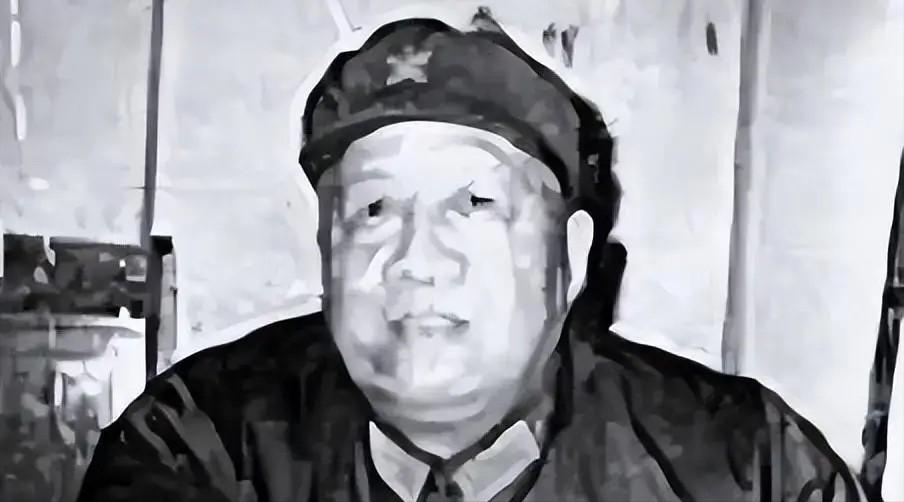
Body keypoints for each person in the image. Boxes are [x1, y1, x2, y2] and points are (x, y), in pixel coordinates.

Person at [78, 11, 867, 502]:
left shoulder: (748, 470)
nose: (417, 260)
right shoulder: (198, 447)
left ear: (572, 256)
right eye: (373, 211)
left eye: (475, 204)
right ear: (324, 250)